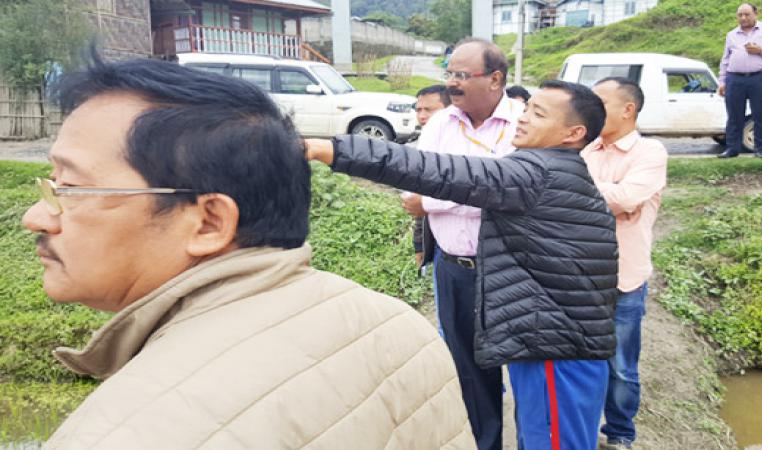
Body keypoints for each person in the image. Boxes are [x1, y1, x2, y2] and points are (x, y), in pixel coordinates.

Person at [23, 54, 474, 450]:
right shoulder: (397, 324)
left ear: (209, 222)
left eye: (70, 187)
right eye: (50, 183)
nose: (36, 217)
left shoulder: (118, 433)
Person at [305, 79, 619, 450]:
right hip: (557, 342)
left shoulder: (536, 174)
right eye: (526, 107)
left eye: (537, 113)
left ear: (573, 133)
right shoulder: (555, 170)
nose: (522, 118)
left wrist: (327, 149)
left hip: (556, 351)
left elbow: (435, 170)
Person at [398, 37, 523, 450]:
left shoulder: (523, 123)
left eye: (462, 75)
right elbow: (412, 187)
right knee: (469, 368)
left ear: (495, 79)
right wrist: (462, 194)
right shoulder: (440, 124)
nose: (451, 82)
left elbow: (507, 194)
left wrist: (436, 199)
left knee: (524, 368)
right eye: (449, 73)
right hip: (454, 268)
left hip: (512, 268)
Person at [582, 77, 668, 450]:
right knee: (582, 361)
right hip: (580, 274)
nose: (590, 109)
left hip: (624, 278)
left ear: (628, 109)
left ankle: (619, 435)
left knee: (620, 366)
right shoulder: (586, 148)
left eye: (600, 102)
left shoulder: (649, 152)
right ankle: (583, 432)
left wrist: (580, 190)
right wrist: (605, 196)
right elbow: (610, 199)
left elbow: (626, 199)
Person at [717, 2, 762, 159]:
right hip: (735, 78)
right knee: (734, 115)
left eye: (747, 14)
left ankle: (761, 149)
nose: (743, 18)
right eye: (740, 15)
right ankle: (732, 148)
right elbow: (725, 60)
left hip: (760, 77)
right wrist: (722, 81)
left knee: (761, 114)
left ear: (756, 14)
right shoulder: (731, 35)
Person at [411, 84, 451, 267]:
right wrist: (419, 244)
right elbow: (420, 198)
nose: (422, 116)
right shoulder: (425, 144)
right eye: (418, 110)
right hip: (437, 245)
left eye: (429, 110)